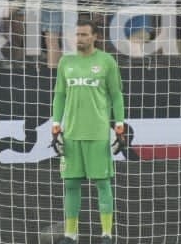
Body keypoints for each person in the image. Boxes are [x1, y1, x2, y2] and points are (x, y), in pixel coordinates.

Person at [49, 20, 127, 244]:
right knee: (71, 184)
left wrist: (119, 125)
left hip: (98, 134)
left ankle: (106, 235)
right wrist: (56, 125)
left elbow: (116, 95)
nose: (79, 38)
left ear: (95, 37)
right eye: (76, 34)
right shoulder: (66, 61)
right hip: (71, 134)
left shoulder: (106, 61)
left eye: (84, 34)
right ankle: (70, 235)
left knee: (103, 183)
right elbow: (60, 96)